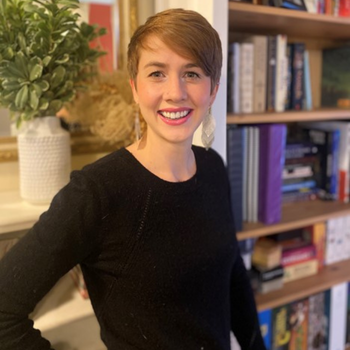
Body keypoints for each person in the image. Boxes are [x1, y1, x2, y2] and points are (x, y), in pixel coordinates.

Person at [0, 8, 266, 350]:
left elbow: (233, 276)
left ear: (213, 89)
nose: (175, 92)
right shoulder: (97, 192)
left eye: (193, 73)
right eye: (157, 73)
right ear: (135, 88)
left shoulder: (213, 168)